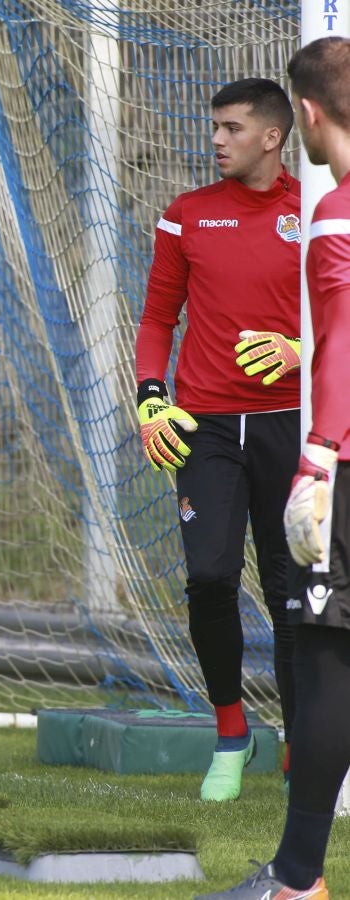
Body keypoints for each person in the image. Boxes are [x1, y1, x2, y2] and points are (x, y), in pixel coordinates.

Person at [198, 35, 350, 900]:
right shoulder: (195, 210)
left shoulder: (332, 212)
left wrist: (320, 451)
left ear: (306, 117)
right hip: (221, 427)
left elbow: (341, 350)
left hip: (338, 455)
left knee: (326, 661)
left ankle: (297, 880)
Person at [134, 77, 302, 802]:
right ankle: (231, 734)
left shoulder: (318, 213)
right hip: (203, 431)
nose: (216, 139)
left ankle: (306, 736)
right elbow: (155, 320)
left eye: (232, 128)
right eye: (215, 127)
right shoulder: (187, 216)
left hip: (294, 427)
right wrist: (149, 397)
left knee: (297, 589)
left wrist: (303, 351)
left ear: (273, 136)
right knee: (209, 578)